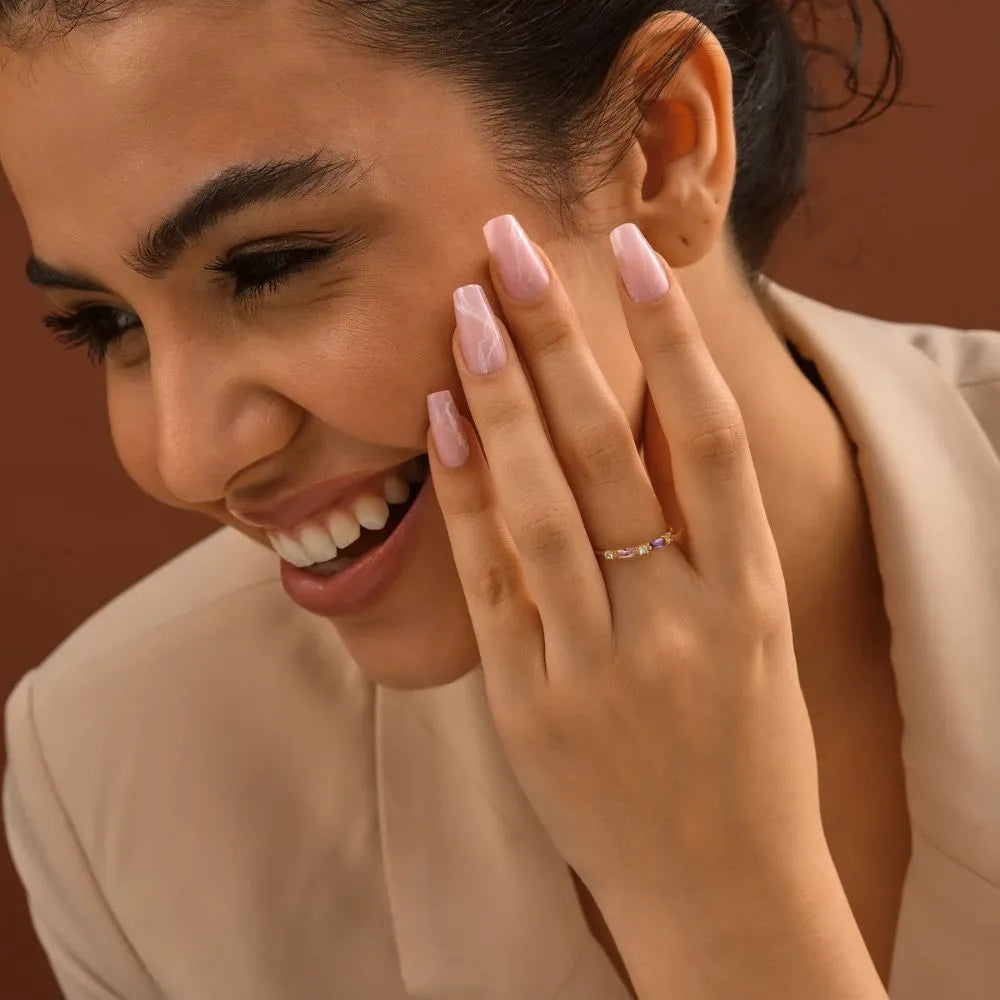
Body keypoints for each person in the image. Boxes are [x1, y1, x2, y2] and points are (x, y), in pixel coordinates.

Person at [1, 1, 997, 998]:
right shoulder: (119, 777)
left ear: (661, 144)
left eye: (273, 266)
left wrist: (718, 904)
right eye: (105, 326)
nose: (183, 458)